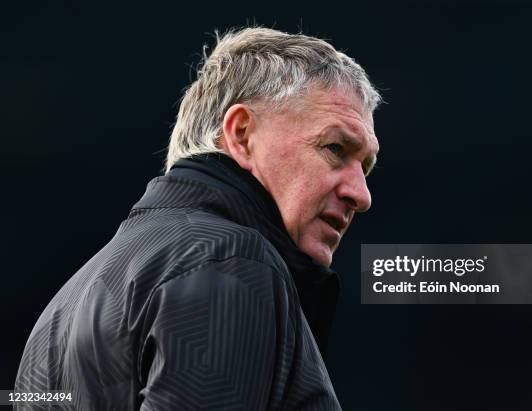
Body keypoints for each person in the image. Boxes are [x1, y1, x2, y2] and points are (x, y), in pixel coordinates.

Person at [15, 27, 380, 410]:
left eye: (365, 168)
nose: (362, 195)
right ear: (241, 134)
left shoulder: (65, 306)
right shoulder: (230, 262)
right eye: (335, 148)